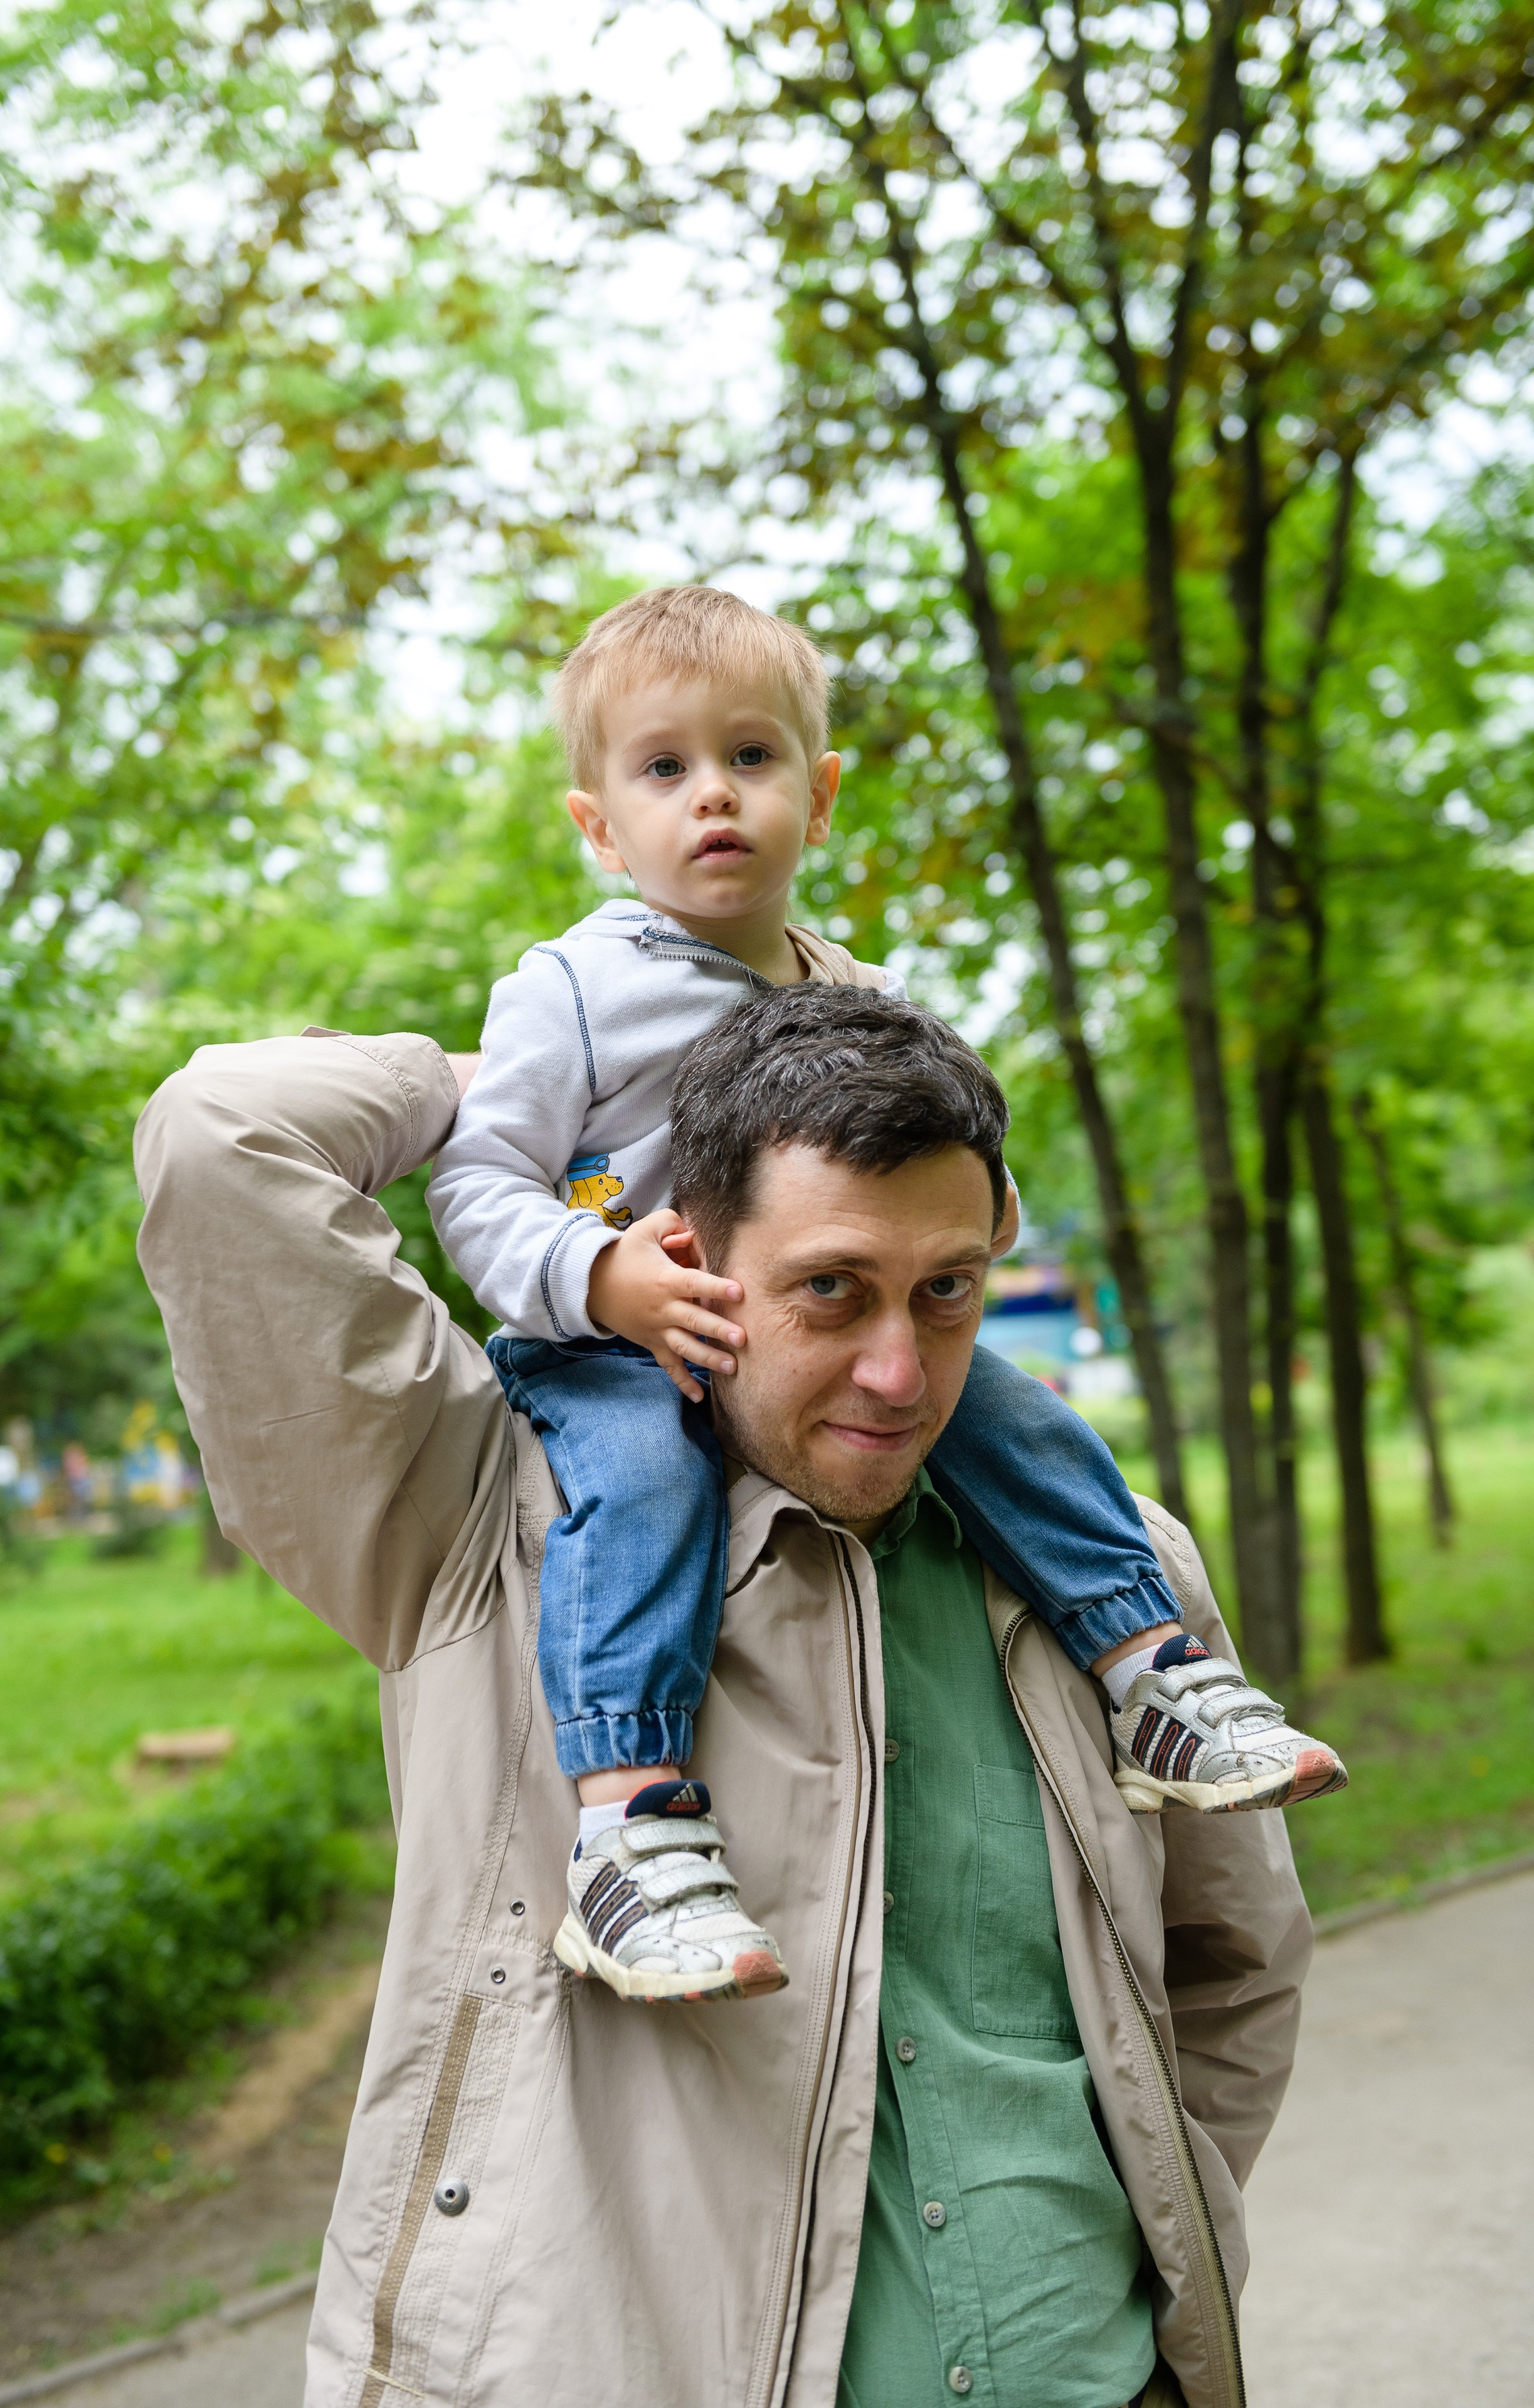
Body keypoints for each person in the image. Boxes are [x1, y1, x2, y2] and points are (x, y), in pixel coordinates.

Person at [135, 992, 1311, 2408]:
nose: (898, 1371)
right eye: (831, 1290)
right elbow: (223, 1138)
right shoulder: (478, 1532)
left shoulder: (1117, 1578)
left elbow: (1234, 1965)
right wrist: (551, 1078)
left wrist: (1158, 2259)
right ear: (687, 1256)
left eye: (946, 1289)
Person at [425, 584, 1343, 2004]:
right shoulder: (572, 990)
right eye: (664, 768)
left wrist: (975, 1218)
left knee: (1013, 1418)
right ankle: (629, 1831)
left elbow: (952, 1164)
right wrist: (599, 1277)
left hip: (827, 1325)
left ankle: (1153, 1675)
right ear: (599, 826)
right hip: (620, 1341)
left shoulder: (866, 994)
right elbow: (478, 1181)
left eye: (751, 756)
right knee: (643, 1488)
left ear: (819, 793)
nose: (713, 795)